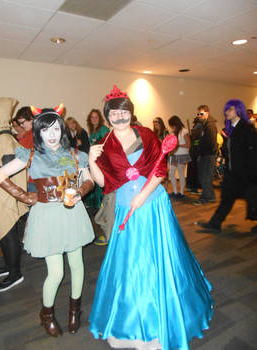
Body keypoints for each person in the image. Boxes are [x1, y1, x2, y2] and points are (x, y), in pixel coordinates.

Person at [88, 85, 213, 350]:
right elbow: (103, 183)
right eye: (114, 113)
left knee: (157, 260)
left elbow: (159, 171)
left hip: (152, 206)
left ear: (130, 113)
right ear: (107, 115)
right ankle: (130, 324)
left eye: (124, 112)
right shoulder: (105, 144)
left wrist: (142, 197)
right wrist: (91, 160)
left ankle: (159, 323)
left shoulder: (145, 134)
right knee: (129, 265)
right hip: (125, 209)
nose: (119, 117)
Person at [0, 104, 95, 336]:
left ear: (61, 129)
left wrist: (80, 191)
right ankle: (46, 314)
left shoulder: (75, 154)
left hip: (73, 212)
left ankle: (74, 311)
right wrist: (25, 195)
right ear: (38, 131)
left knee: (77, 265)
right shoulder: (30, 154)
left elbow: (87, 179)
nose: (52, 135)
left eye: (55, 129)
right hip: (47, 215)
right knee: (56, 272)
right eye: (45, 129)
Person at [198, 99, 257, 234]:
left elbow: (252, 153)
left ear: (238, 110)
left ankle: (215, 223)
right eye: (226, 109)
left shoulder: (247, 128)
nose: (226, 112)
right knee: (227, 199)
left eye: (230, 109)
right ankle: (215, 223)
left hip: (246, 173)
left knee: (252, 199)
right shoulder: (231, 129)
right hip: (233, 173)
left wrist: (252, 173)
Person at [0, 97, 28, 292]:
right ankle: (9, 266)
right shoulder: (0, 137)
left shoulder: (4, 139)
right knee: (6, 234)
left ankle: (15, 274)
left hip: (4, 196)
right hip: (0, 195)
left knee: (9, 235)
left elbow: (8, 170)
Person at [86, 109, 110, 245]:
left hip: (102, 164)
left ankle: (107, 225)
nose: (94, 119)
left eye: (96, 117)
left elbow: (107, 146)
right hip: (95, 163)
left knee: (104, 192)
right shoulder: (93, 131)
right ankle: (103, 221)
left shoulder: (103, 129)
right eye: (92, 117)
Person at [193, 105, 218, 205]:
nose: (199, 116)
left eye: (201, 114)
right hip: (205, 154)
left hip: (208, 155)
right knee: (205, 176)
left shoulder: (210, 126)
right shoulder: (204, 124)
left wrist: (201, 151)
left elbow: (210, 142)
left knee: (205, 177)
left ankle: (205, 198)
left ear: (207, 113)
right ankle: (211, 196)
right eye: (198, 114)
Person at [168, 115, 191, 199]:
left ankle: (181, 192)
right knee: (171, 173)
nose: (171, 127)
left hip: (182, 155)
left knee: (181, 174)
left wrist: (178, 145)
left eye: (172, 124)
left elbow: (188, 144)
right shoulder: (172, 132)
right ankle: (175, 191)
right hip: (173, 155)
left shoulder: (184, 131)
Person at [14, 106, 36, 192]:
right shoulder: (27, 135)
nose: (21, 126)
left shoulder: (37, 134)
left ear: (31, 118)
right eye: (19, 124)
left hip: (34, 180)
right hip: (28, 179)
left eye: (22, 122)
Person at [186, 116, 202, 194]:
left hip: (193, 151)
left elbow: (194, 140)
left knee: (192, 169)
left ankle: (190, 186)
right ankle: (194, 188)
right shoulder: (199, 128)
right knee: (195, 171)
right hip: (195, 152)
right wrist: (198, 145)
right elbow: (196, 141)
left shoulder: (195, 128)